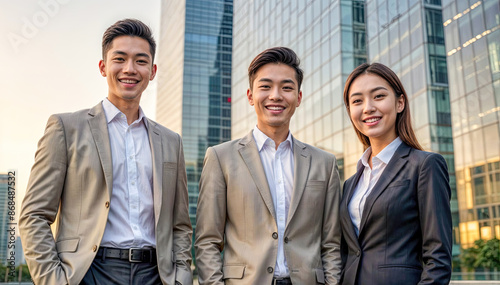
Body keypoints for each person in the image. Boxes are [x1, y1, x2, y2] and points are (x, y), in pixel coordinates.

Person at [19, 19, 193, 285]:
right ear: (103, 66)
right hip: (89, 272)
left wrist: (181, 277)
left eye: (141, 61)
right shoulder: (66, 128)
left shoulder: (171, 141)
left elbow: (180, 225)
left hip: (156, 274)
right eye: (119, 59)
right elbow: (34, 215)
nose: (130, 69)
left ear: (153, 70)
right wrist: (53, 280)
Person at [194, 47, 342, 285]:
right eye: (265, 86)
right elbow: (207, 241)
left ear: (299, 97)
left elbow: (332, 243)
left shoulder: (324, 163)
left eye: (286, 87)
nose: (275, 95)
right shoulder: (221, 158)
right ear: (251, 96)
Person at [340, 62, 452, 285]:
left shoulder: (425, 165)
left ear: (400, 103)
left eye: (378, 96)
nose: (368, 108)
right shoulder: (351, 183)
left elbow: (438, 259)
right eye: (357, 101)